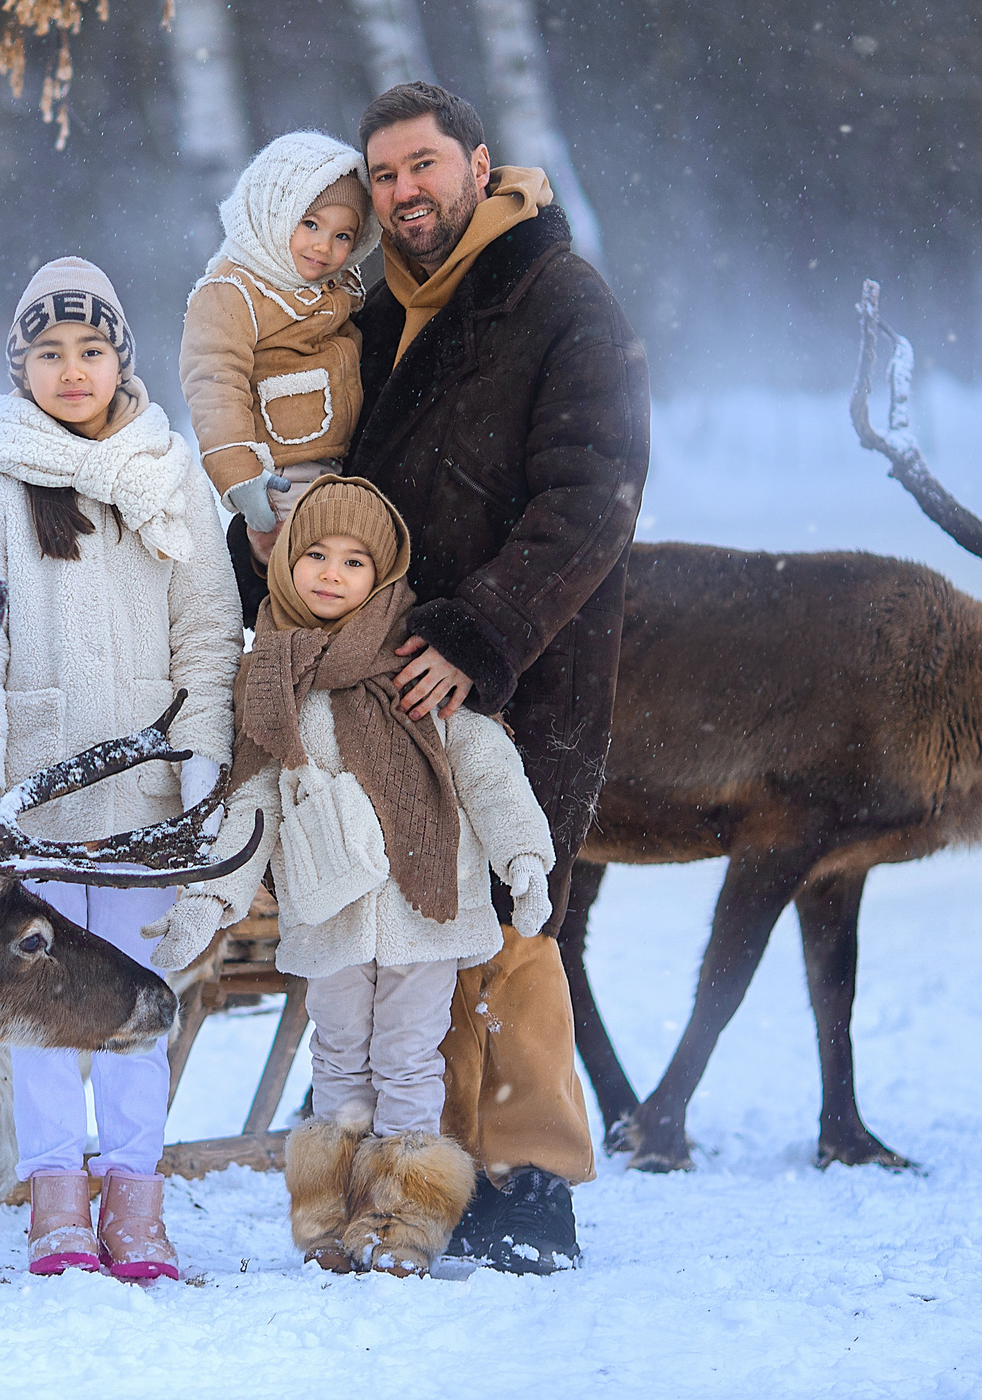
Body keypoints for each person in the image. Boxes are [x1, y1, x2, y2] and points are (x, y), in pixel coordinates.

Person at [226, 83, 650, 1275]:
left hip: (519, 670)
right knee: (388, 926)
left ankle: (524, 1184)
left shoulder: (557, 300)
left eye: (424, 167)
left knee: (514, 929)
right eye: (386, 178)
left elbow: (596, 494)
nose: (404, 193)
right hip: (369, 669)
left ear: (477, 162)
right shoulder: (380, 311)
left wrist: (484, 629)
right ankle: (400, 1180)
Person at [147, 476, 555, 1276]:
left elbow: (486, 766)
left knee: (407, 1057)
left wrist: (525, 857)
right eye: (315, 555)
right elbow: (252, 804)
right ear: (287, 563)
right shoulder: (272, 679)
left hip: (424, 908)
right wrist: (211, 900)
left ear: (385, 572)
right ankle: (332, 1220)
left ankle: (403, 1221)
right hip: (328, 910)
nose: (332, 573)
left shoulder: (417, 667)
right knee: (336, 1057)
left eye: (354, 560)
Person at [0, 256, 242, 1282]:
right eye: (50, 353)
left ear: (123, 358)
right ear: (20, 366)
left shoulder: (171, 477)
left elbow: (208, 629)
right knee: (41, 1008)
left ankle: (136, 1210)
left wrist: (201, 755)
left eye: (91, 350)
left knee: (138, 1007)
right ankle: (57, 1205)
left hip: (146, 807)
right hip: (36, 808)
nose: (72, 371)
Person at [176, 131, 378, 557]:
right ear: (276, 211)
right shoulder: (233, 290)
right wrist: (239, 473)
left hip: (341, 467)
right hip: (279, 476)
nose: (325, 246)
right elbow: (214, 383)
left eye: (344, 236)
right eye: (310, 224)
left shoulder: (335, 289)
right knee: (307, 568)